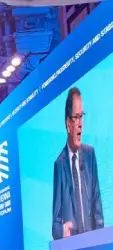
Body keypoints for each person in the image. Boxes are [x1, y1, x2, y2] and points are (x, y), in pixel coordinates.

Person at [52, 87, 103, 240]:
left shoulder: (90, 155)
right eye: (76, 117)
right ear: (68, 123)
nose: (81, 123)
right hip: (73, 246)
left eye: (82, 116)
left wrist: (100, 239)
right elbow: (55, 224)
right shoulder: (59, 165)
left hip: (93, 244)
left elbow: (97, 207)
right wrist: (63, 231)